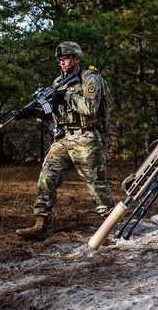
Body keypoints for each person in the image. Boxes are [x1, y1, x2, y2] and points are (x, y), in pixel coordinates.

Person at [16, 41, 114, 241]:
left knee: (96, 184)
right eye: (60, 59)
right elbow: (52, 110)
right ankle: (40, 225)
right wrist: (32, 112)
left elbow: (90, 108)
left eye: (66, 58)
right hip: (63, 138)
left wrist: (66, 95)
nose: (62, 62)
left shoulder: (90, 79)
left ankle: (112, 226)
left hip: (85, 138)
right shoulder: (57, 82)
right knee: (46, 178)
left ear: (77, 58)